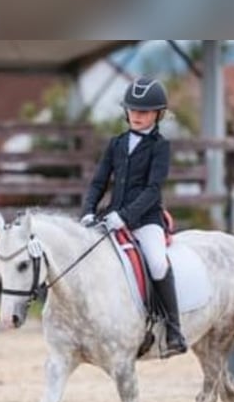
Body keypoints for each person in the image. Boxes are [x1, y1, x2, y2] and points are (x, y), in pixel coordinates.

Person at [80, 76, 187, 358]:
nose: (137, 116)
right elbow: (98, 182)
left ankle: (173, 329)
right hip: (110, 218)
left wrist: (125, 217)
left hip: (145, 220)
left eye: (144, 111)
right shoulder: (116, 144)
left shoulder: (159, 146)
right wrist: (88, 211)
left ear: (158, 114)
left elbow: (153, 190)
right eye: (133, 110)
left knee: (156, 262)